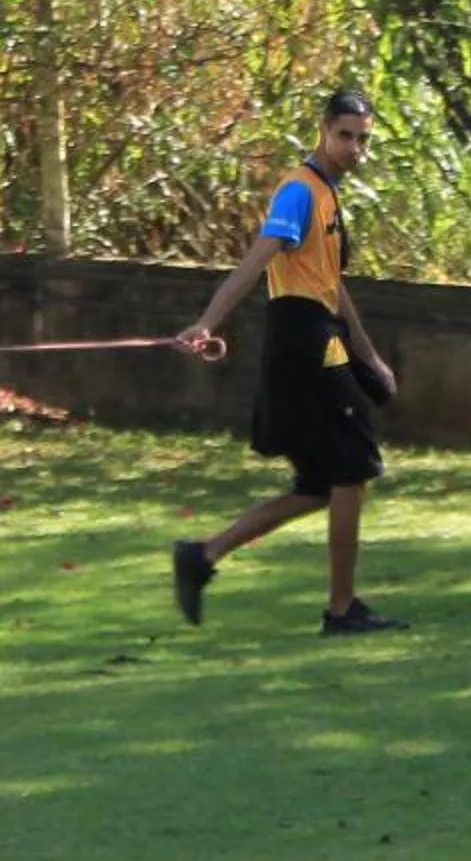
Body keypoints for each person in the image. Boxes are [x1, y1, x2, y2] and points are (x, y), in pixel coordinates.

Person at [167, 88, 407, 635]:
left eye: (363, 140)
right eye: (345, 135)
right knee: (355, 466)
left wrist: (370, 357)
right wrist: (208, 321)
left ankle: (201, 556)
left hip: (319, 330)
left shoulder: (327, 194)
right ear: (323, 130)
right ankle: (342, 609)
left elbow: (333, 286)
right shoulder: (299, 192)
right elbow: (256, 261)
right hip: (302, 337)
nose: (354, 148)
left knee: (320, 486)